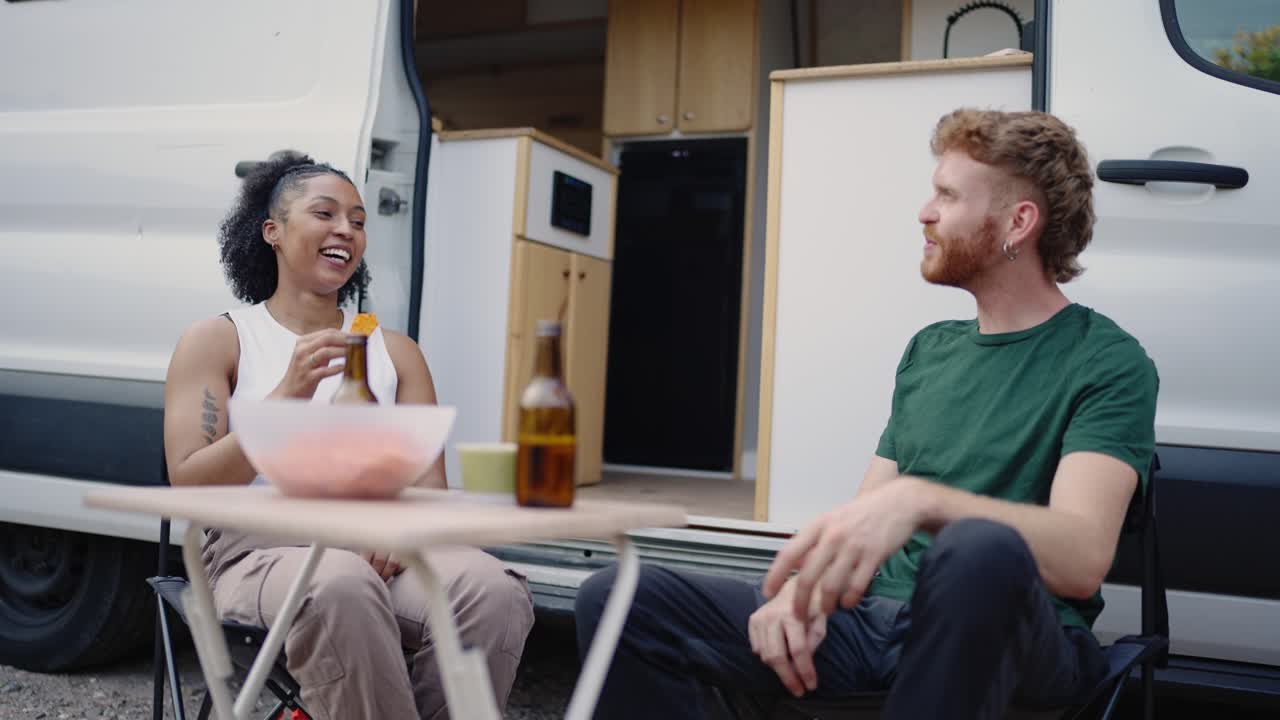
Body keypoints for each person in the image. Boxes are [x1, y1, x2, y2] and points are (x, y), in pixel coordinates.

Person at [575, 109, 1158, 719]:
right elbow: (865, 520)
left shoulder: (1107, 361)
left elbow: (1083, 559)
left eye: (947, 195)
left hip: (1014, 638)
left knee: (979, 550)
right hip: (877, 627)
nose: (924, 212)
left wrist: (923, 502)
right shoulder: (930, 351)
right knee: (620, 597)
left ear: (1018, 222)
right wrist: (802, 595)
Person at [163, 152, 535, 720]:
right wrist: (286, 398)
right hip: (257, 552)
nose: (346, 230)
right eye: (326, 214)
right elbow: (187, 480)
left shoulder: (396, 351)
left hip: (381, 552)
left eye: (358, 221)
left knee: (493, 590)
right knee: (334, 580)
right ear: (273, 232)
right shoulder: (220, 339)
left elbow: (430, 489)